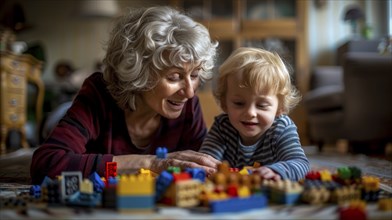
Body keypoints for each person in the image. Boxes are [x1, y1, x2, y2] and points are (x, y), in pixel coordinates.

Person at [30, 6, 221, 185]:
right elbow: (46, 163)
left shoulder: (187, 103)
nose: (189, 91)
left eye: (194, 75)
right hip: (73, 114)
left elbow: (202, 164)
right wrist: (149, 163)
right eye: (174, 77)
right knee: (54, 120)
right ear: (139, 73)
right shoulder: (98, 93)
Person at [199, 47, 310, 181]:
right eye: (239, 103)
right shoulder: (223, 126)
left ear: (280, 108)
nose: (250, 113)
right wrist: (208, 170)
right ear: (224, 103)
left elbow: (300, 164)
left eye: (261, 105)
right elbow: (206, 160)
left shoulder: (282, 128)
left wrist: (276, 171)